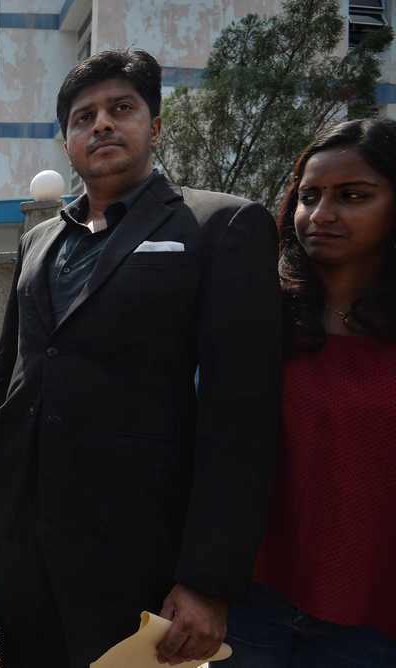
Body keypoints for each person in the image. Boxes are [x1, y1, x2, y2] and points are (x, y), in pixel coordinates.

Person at [0, 49, 283, 667]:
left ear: (156, 126)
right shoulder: (39, 239)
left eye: (122, 109)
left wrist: (207, 578)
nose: (102, 125)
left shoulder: (220, 225)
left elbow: (241, 417)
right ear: (67, 142)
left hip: (140, 549)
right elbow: (14, 368)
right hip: (25, 539)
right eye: (83, 117)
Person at [222, 118, 396, 667]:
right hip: (253, 603)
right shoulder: (261, 318)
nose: (321, 215)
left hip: (372, 625)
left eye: (353, 196)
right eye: (309, 196)